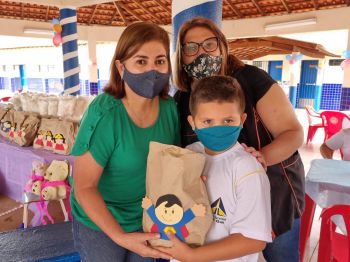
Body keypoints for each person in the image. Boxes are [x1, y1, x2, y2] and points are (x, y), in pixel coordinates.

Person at [174, 17, 305, 261]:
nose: (201, 53)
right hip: (220, 210)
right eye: (191, 48)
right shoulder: (181, 101)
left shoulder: (252, 80)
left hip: (274, 193)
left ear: (222, 47)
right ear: (182, 58)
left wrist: (261, 157)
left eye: (209, 44)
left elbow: (294, 133)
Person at [70, 21, 179, 262]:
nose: (153, 70)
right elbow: (84, 187)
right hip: (100, 219)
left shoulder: (170, 110)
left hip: (148, 214)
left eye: (160, 61)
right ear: (121, 67)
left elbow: (174, 163)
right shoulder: (105, 115)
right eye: (141, 61)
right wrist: (120, 236)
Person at [158, 75, 271, 262]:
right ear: (193, 123)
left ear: (242, 120)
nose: (217, 129)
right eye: (208, 122)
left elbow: (254, 240)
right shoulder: (187, 156)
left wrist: (192, 256)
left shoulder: (247, 169)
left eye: (228, 121)